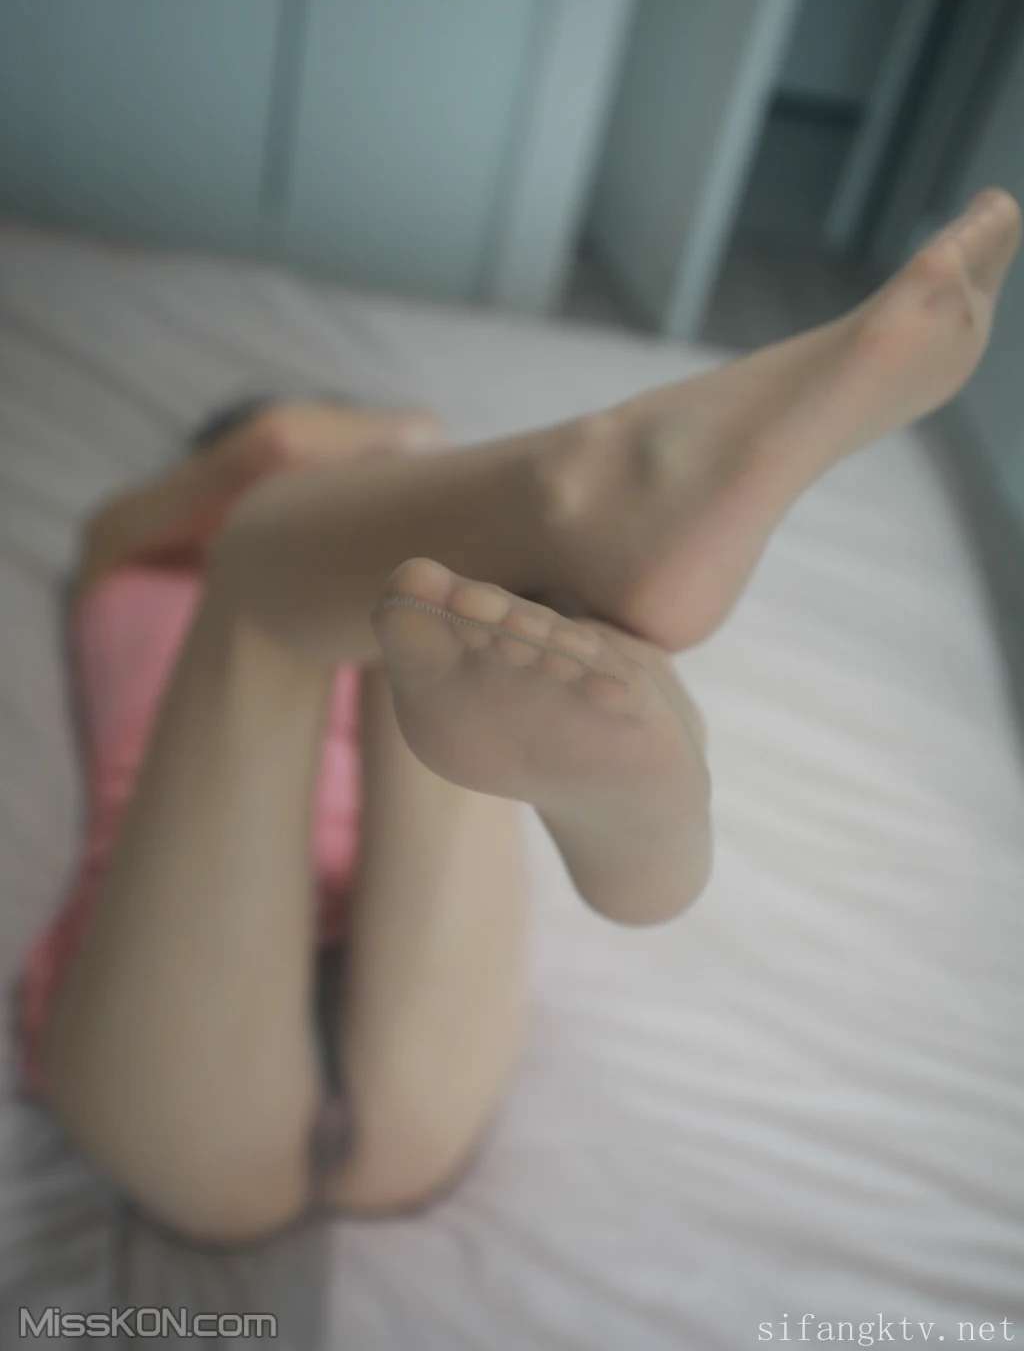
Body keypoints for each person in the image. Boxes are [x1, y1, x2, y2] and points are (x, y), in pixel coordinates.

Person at [17, 189, 1021, 1246]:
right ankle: (591, 533)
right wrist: (352, 463)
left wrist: (401, 490)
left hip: (320, 1026)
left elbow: (362, 482)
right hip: (223, 1025)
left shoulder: (411, 619)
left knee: (444, 628)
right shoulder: (134, 550)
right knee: (277, 586)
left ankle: (627, 738)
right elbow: (268, 448)